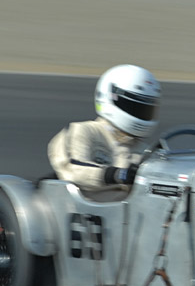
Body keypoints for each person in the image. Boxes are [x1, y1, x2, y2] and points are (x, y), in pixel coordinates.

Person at [48, 64, 161, 195]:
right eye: (134, 107)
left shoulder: (145, 151)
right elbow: (72, 169)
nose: (141, 113)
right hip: (86, 210)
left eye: (146, 109)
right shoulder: (83, 131)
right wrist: (118, 174)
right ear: (108, 97)